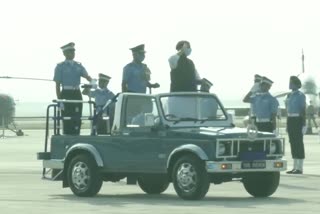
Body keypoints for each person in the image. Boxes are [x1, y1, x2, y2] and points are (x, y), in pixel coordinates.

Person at [53, 42, 92, 135]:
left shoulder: (78, 66)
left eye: (73, 52)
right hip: (66, 93)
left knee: (77, 117)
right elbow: (57, 85)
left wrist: (93, 83)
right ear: (65, 53)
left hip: (76, 93)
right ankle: (67, 135)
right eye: (70, 52)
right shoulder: (60, 67)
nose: (72, 54)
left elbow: (87, 76)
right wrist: (60, 100)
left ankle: (76, 134)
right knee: (66, 118)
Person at [286, 76, 306, 174]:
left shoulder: (300, 95)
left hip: (298, 119)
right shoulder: (289, 95)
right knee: (292, 142)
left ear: (296, 84)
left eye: (292, 82)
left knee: (298, 143)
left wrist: (304, 124)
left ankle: (300, 167)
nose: (290, 84)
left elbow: (303, 110)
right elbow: (287, 110)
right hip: (290, 119)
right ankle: (294, 166)